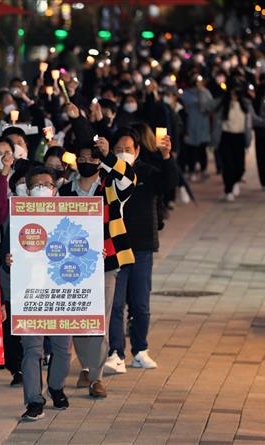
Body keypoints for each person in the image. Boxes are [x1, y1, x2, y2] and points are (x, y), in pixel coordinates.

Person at [58, 135, 136, 398]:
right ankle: (86, 366)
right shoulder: (64, 190)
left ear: (100, 161)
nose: (86, 162)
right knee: (79, 318)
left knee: (99, 319)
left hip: (106, 262)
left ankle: (97, 377)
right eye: (81, 158)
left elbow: (130, 178)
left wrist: (109, 156)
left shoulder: (110, 187)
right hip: (72, 267)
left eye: (92, 158)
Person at [105, 127, 177, 374]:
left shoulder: (147, 172)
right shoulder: (108, 174)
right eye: (118, 150)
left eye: (128, 149)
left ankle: (140, 350)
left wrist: (167, 156)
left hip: (142, 247)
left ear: (137, 151)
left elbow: (169, 183)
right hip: (115, 247)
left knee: (140, 304)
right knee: (115, 304)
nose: (123, 154)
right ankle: (115, 352)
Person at [17, 166, 72, 421]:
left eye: (47, 185)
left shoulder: (71, 216)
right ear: (27, 191)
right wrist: (8, 260)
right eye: (36, 186)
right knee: (32, 350)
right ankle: (34, 400)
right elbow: (6, 255)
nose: (42, 189)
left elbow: (84, 244)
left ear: (55, 188)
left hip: (62, 294)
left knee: (62, 347)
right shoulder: (16, 217)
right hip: (29, 294)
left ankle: (56, 386)